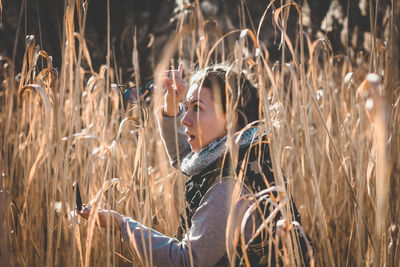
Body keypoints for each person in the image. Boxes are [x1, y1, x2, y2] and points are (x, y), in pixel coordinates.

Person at [78, 62, 312, 266]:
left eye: (197, 109)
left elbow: (185, 260)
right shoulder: (250, 155)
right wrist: (172, 104)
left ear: (230, 119)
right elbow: (185, 157)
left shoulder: (229, 189)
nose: (185, 120)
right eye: (186, 108)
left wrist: (122, 225)